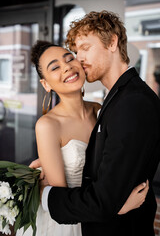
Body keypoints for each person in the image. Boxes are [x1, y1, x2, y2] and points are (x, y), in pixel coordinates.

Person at [20, 40, 150, 236]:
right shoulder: (48, 125)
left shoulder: (100, 109)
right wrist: (117, 207)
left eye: (69, 58)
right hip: (70, 223)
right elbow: (62, 200)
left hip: (102, 215)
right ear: (46, 84)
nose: (67, 67)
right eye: (55, 67)